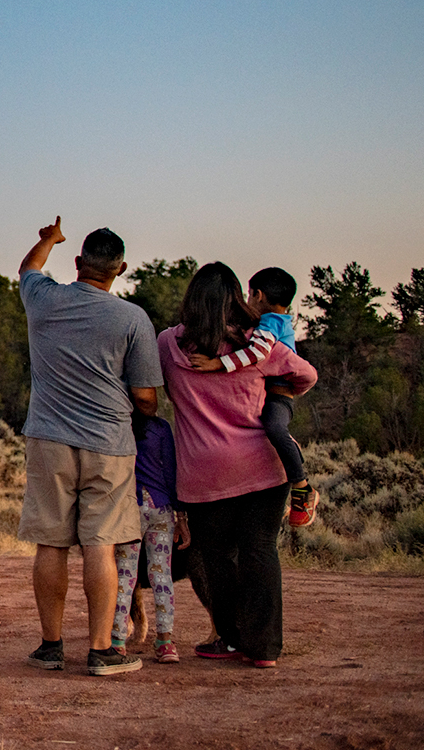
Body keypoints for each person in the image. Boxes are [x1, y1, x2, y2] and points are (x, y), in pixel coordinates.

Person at [16, 218, 164, 677]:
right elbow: (145, 395)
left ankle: (51, 647)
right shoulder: (132, 318)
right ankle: (102, 651)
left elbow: (28, 268)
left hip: (49, 439)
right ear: (119, 269)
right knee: (100, 545)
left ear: (78, 263)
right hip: (109, 444)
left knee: (51, 543)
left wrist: (47, 240)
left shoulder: (42, 301)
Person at [160, 262, 316, 669]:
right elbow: (307, 375)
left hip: (203, 473)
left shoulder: (167, 345)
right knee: (260, 550)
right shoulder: (258, 346)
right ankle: (264, 649)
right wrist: (279, 395)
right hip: (262, 466)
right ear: (236, 298)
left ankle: (232, 637)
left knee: (216, 558)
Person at [186, 267, 319, 527]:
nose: (246, 301)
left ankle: (303, 488)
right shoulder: (274, 322)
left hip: (278, 399)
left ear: (258, 295)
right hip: (275, 396)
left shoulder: (271, 323)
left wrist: (218, 364)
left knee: (274, 428)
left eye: (248, 296)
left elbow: (257, 353)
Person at [112, 410, 185, 663]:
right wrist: (181, 515)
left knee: (124, 575)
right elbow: (171, 471)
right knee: (161, 575)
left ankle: (118, 641)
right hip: (160, 507)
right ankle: (165, 642)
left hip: (129, 508)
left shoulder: (117, 423)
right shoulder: (160, 428)